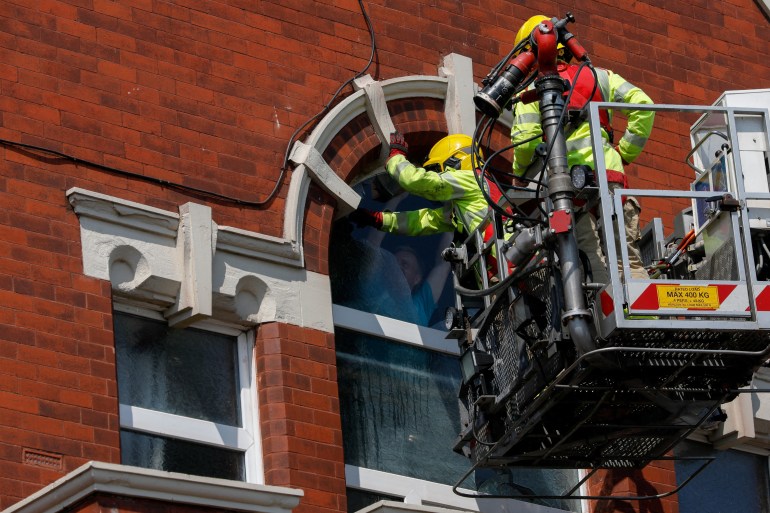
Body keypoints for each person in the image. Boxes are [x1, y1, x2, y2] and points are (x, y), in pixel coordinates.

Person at [510, 15, 655, 285]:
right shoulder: (598, 76)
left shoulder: (530, 91)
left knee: (590, 256)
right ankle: (641, 316)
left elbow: (527, 140)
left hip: (566, 184)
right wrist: (624, 153)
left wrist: (518, 173)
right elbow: (643, 105)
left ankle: (605, 313)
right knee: (626, 257)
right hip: (609, 175)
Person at [350, 132, 508, 282]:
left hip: (507, 262)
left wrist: (395, 158)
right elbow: (423, 221)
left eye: (438, 170)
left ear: (454, 161)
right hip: (507, 266)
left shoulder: (471, 179)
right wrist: (380, 220)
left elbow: (416, 181)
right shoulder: (471, 201)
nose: (440, 176)